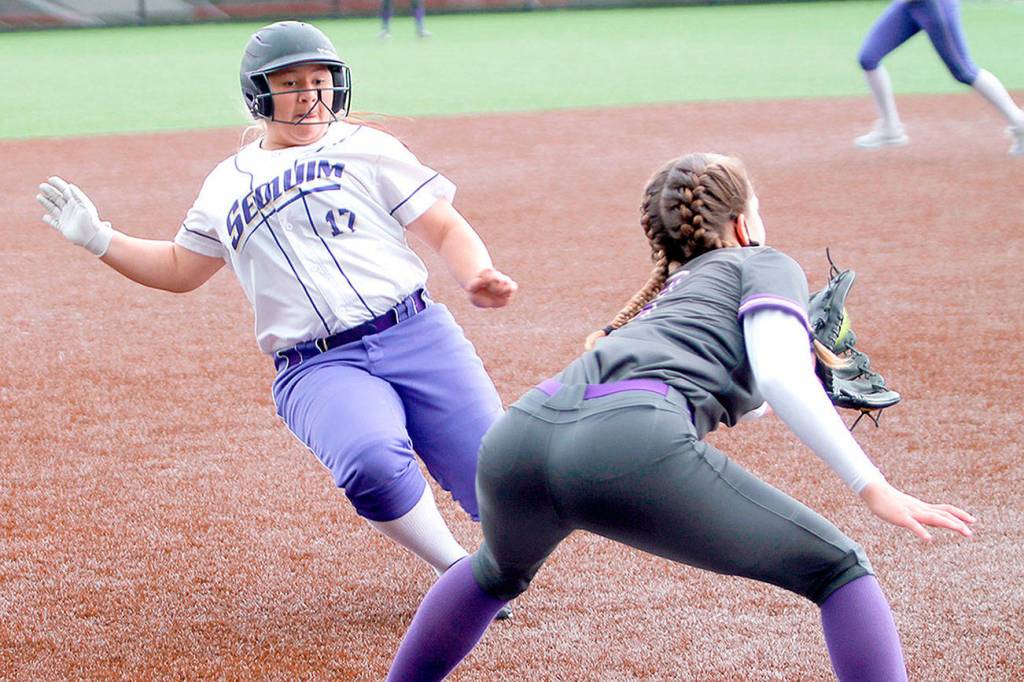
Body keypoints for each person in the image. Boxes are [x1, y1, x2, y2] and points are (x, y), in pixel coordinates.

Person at [386, 152, 976, 681]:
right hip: (625, 444)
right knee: (838, 570)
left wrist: (795, 377)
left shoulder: (668, 295)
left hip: (521, 434)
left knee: (494, 572)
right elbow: (777, 376)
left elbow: (748, 390)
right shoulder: (761, 262)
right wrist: (874, 487)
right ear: (742, 226)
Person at [36, 20, 514, 617]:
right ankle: (456, 569)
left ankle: (505, 559)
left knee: (501, 479)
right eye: (290, 83)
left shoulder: (368, 146)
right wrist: (101, 239)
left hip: (417, 333)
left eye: (320, 79)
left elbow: (442, 225)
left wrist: (477, 273)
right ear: (258, 94)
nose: (309, 94)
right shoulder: (225, 184)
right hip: (316, 365)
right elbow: (181, 267)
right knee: (369, 460)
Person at [854, 0, 1024, 155]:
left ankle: (1019, 121)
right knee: (868, 58)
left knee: (964, 71)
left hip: (935, 6)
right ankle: (890, 128)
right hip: (909, 5)